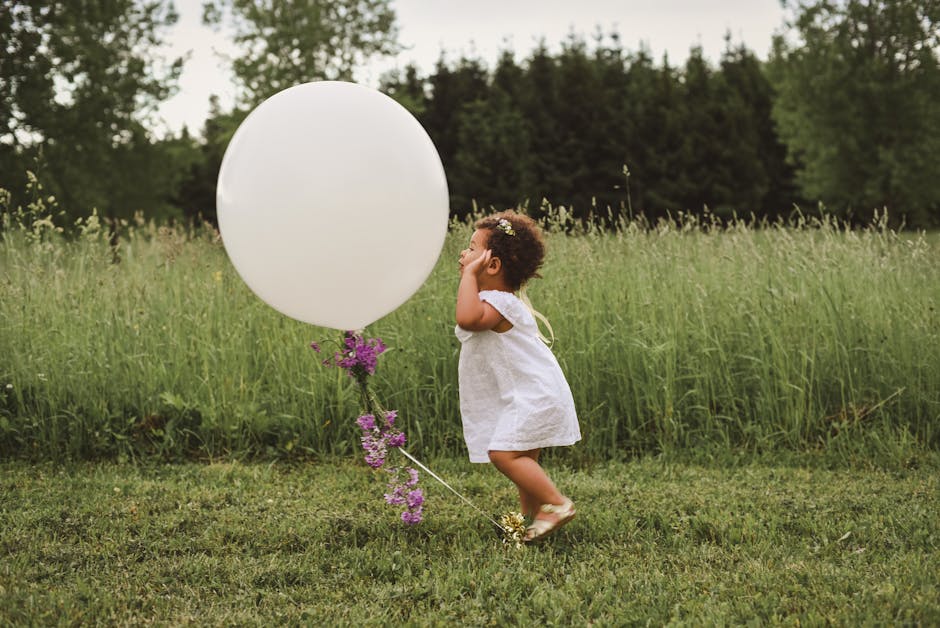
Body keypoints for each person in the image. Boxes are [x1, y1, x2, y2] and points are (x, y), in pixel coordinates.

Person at [454, 210, 581, 543]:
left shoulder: (497, 303)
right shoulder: (500, 301)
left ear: (491, 266)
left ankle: (556, 504)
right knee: (523, 459)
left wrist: (468, 275)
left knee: (504, 454)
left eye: (470, 250)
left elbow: (467, 318)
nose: (462, 256)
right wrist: (471, 274)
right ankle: (528, 521)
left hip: (534, 395)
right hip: (529, 393)